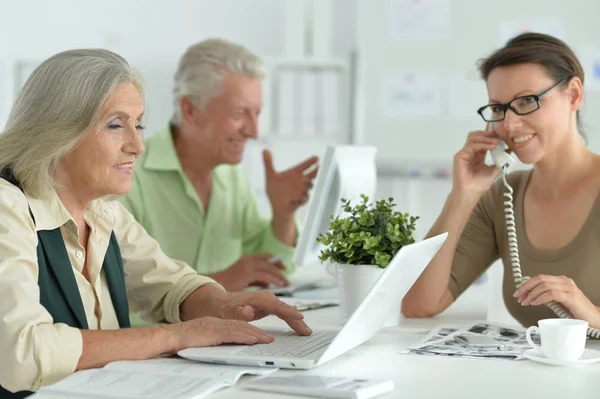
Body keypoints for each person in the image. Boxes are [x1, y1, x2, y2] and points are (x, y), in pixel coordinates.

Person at [0, 49, 311, 398]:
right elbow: (20, 355)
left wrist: (221, 304)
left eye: (139, 124)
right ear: (57, 130)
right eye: (115, 125)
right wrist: (177, 335)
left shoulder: (103, 210)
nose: (137, 146)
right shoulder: (7, 208)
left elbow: (169, 284)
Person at [402, 32, 600, 331]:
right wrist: (463, 194)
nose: (509, 124)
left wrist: (590, 313)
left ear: (573, 94)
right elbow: (418, 304)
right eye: (498, 108)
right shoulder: (503, 196)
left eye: (526, 101)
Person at [120, 38, 319, 296]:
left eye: (257, 113)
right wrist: (216, 284)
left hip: (229, 335)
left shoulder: (231, 176)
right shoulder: (130, 177)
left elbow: (271, 268)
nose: (253, 131)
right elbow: (117, 299)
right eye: (238, 114)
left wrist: (283, 214)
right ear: (190, 110)